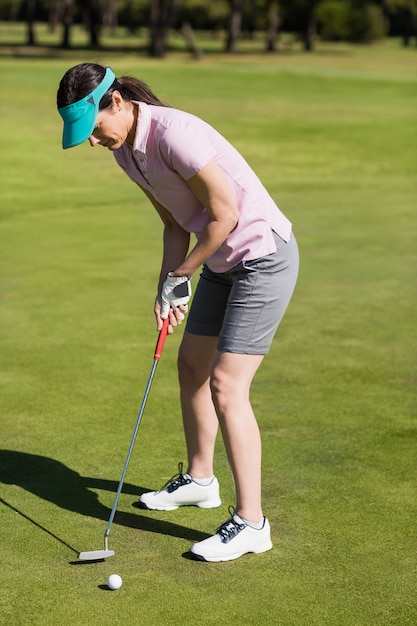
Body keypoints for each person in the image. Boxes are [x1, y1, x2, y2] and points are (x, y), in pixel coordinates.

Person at [57, 63, 299, 562]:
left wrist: (181, 277)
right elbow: (174, 226)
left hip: (261, 257)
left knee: (227, 386)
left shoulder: (175, 134)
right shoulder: (127, 153)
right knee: (190, 364)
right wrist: (168, 285)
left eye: (95, 129)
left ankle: (253, 523)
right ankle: (200, 479)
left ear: (117, 103)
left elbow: (225, 215)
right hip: (220, 260)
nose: (93, 143)